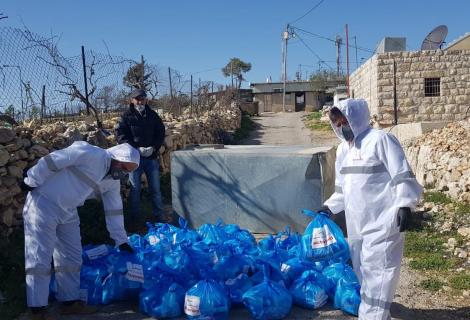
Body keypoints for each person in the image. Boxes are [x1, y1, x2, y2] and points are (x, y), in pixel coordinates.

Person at [321, 99, 422, 320]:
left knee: (379, 274)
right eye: (336, 121)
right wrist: (329, 208)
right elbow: (342, 189)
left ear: (356, 117)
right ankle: (375, 313)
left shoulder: (381, 140)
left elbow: (402, 174)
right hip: (357, 226)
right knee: (364, 274)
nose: (340, 125)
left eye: (344, 119)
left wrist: (405, 204)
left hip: (384, 223)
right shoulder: (342, 151)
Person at [21, 142, 140, 320]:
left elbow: (114, 209)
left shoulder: (112, 181)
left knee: (71, 256)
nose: (123, 172)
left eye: (127, 171)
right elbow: (54, 160)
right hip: (44, 203)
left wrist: (121, 240)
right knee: (39, 256)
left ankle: (69, 302)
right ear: (116, 158)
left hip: (68, 210)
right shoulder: (91, 154)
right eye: (123, 167)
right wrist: (32, 179)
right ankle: (37, 310)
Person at [115, 89, 166, 222]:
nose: (140, 101)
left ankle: (159, 218)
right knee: (135, 190)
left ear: (146, 100)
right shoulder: (125, 117)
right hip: (134, 160)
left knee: (155, 189)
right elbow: (120, 135)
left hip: (151, 158)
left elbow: (160, 132)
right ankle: (135, 220)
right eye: (137, 99)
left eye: (142, 98)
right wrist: (135, 149)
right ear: (132, 100)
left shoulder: (152, 115)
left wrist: (154, 147)